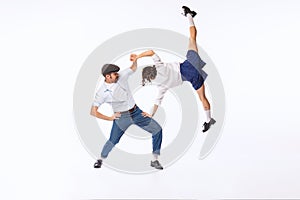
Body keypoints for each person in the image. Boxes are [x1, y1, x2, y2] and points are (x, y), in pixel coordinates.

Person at [132, 6, 216, 132]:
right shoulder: (159, 66)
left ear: (150, 78)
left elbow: (157, 102)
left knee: (202, 98)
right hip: (189, 64)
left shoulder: (162, 86)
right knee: (192, 39)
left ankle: (209, 120)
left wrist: (151, 114)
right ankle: (189, 16)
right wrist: (138, 57)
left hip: (192, 77)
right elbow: (151, 52)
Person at [90, 58, 163, 170]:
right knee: (113, 140)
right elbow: (93, 111)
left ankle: (155, 160)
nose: (117, 75)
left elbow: (133, 68)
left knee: (157, 130)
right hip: (121, 118)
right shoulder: (101, 92)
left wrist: (135, 59)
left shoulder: (121, 76)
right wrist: (110, 118)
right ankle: (100, 159)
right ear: (107, 77)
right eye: (114, 74)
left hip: (137, 113)